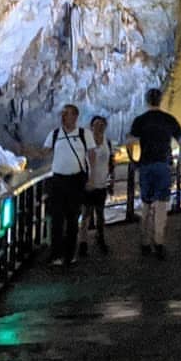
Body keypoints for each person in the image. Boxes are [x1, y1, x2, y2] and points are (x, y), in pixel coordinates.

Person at [128, 88, 181, 258]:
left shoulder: (140, 120)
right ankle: (158, 242)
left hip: (146, 165)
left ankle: (145, 242)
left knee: (146, 205)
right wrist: (179, 162)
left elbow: (129, 142)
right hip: (163, 165)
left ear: (147, 100)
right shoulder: (169, 119)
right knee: (161, 206)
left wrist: (133, 160)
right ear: (160, 100)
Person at [46, 104, 89, 267]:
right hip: (58, 180)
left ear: (75, 117)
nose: (64, 117)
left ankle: (70, 254)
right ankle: (56, 254)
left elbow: (90, 154)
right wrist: (25, 151)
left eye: (67, 114)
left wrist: (90, 179)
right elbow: (45, 151)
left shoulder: (85, 134)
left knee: (72, 219)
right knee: (56, 218)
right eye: (63, 114)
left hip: (75, 180)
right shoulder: (55, 134)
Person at [79, 114, 114, 258]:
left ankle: (100, 238)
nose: (99, 127)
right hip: (88, 184)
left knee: (100, 214)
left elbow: (111, 162)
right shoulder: (85, 143)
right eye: (96, 124)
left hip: (101, 184)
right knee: (86, 214)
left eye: (101, 125)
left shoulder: (108, 142)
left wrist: (111, 180)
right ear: (92, 127)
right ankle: (83, 243)